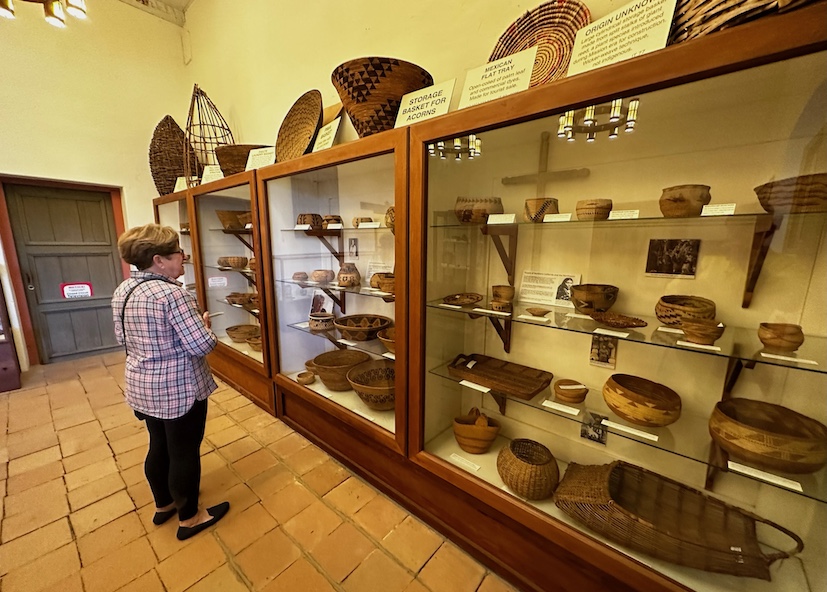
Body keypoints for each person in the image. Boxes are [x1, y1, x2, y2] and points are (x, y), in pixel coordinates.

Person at [111, 224, 229, 541]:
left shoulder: (124, 290)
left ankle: (164, 504)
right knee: (184, 451)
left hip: (142, 386)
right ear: (159, 260)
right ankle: (190, 517)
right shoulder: (173, 295)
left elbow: (122, 338)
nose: (183, 257)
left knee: (159, 444)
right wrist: (205, 327)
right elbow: (202, 346)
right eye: (178, 253)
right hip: (178, 389)